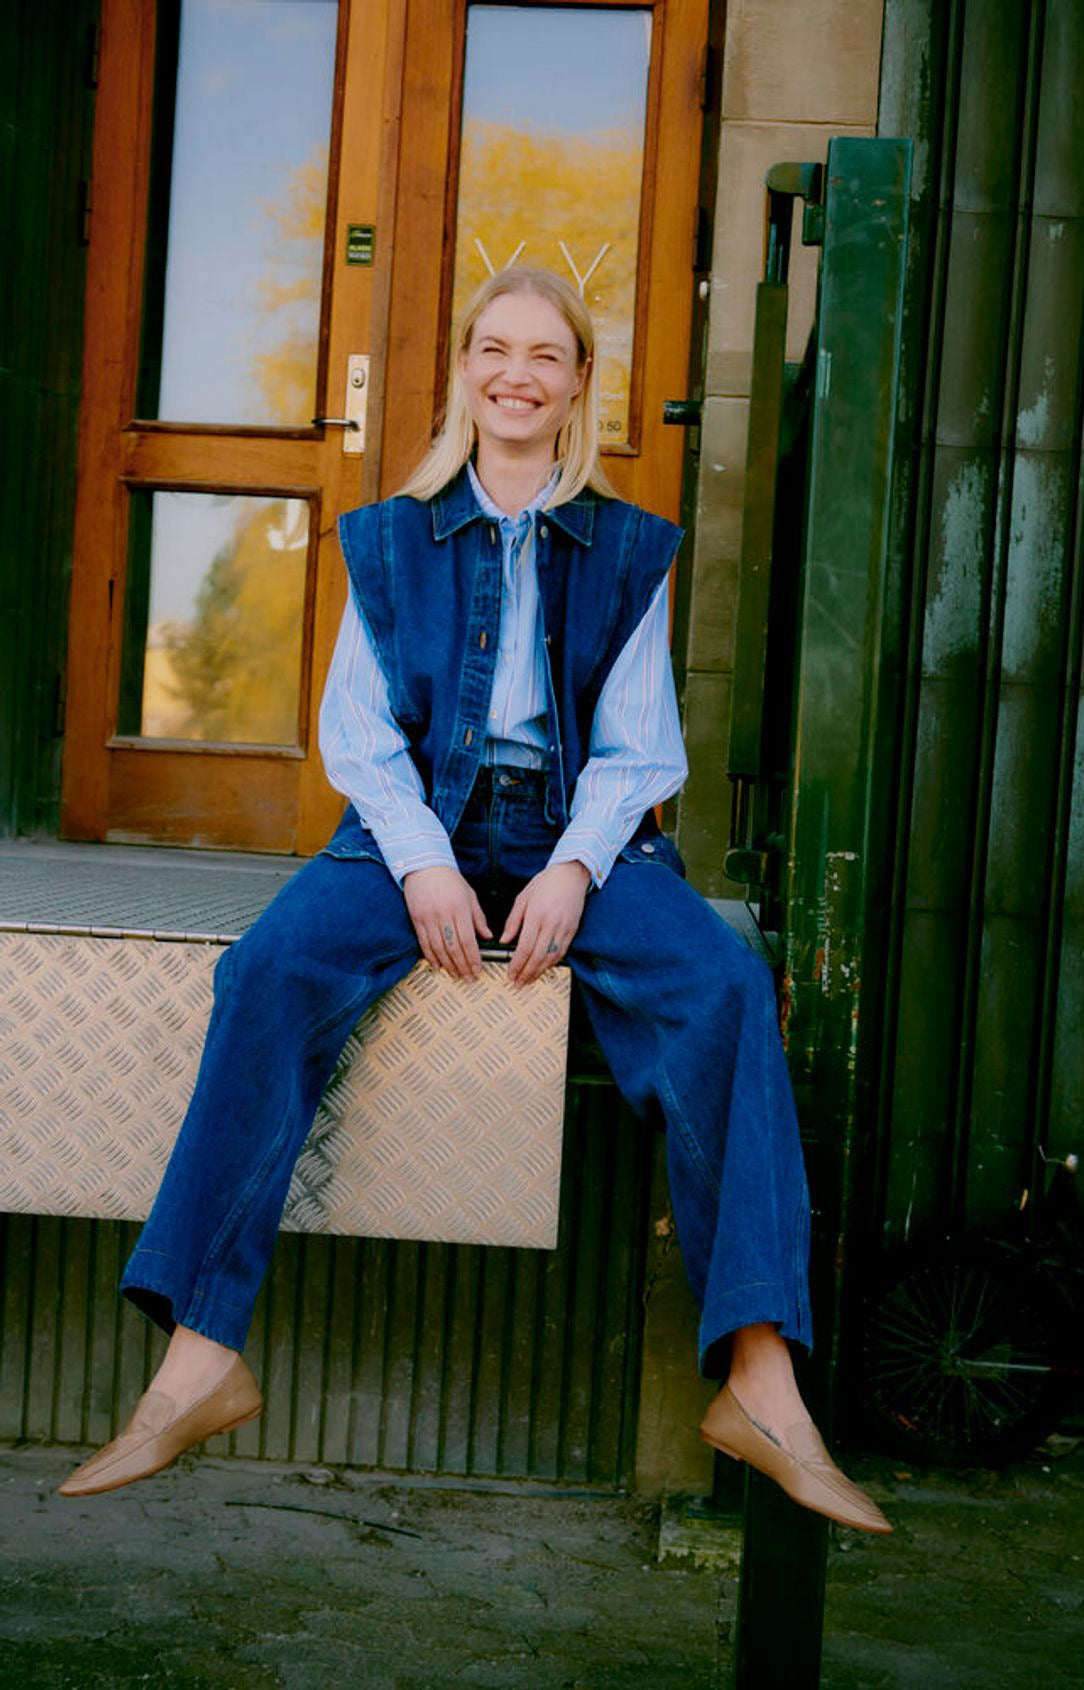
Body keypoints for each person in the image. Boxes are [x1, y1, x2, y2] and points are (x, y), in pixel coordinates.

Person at [58, 266, 890, 1534]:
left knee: (723, 986)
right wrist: (422, 861)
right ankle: (198, 1358)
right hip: (416, 830)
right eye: (494, 349)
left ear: (579, 383)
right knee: (265, 971)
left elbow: (638, 749)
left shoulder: (628, 548)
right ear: (462, 369)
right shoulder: (392, 539)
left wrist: (573, 866)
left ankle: (761, 1382)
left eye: (545, 355)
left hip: (575, 832)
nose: (517, 374)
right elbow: (358, 734)